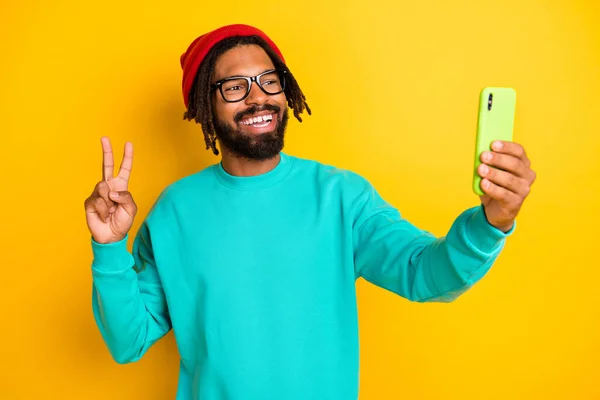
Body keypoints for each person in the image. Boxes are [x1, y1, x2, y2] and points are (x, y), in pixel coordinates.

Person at [84, 24, 536, 400]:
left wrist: (491, 222)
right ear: (206, 106)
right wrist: (108, 249)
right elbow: (129, 341)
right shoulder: (174, 211)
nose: (258, 97)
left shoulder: (341, 196)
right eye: (235, 87)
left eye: (270, 80)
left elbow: (425, 273)